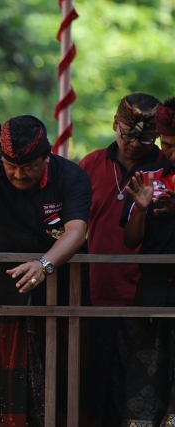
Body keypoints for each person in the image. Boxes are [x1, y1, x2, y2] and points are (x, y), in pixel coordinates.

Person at [0, 115, 91, 426]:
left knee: (66, 381)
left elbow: (76, 230)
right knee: (10, 386)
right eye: (11, 165)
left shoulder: (71, 176)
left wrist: (44, 265)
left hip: (63, 291)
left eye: (28, 166)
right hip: (8, 290)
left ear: (47, 155)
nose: (18, 173)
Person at [78, 92, 161, 427]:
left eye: (144, 138)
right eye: (127, 134)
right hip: (96, 293)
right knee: (94, 387)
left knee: (140, 389)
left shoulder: (164, 168)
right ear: (115, 125)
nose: (134, 144)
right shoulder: (91, 163)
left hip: (146, 298)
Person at [121, 98, 175, 426]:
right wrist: (140, 209)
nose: (171, 153)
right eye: (167, 145)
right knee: (144, 393)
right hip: (153, 300)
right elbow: (130, 241)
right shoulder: (150, 177)